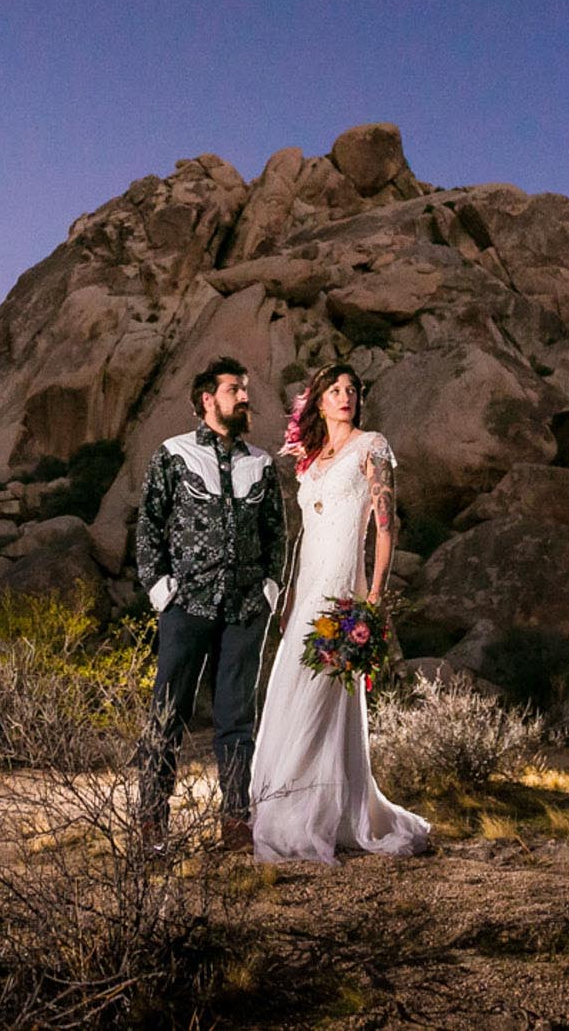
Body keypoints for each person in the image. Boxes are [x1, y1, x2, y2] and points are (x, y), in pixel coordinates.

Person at [250, 362, 430, 864]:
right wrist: (287, 597)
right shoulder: (309, 459)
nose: (345, 396)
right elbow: (302, 534)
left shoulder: (372, 446)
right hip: (306, 588)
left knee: (320, 698)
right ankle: (282, 805)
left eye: (352, 389)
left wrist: (374, 595)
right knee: (289, 694)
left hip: (343, 590)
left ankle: (315, 815)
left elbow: (386, 525)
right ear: (319, 401)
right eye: (335, 389)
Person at [135, 356, 286, 851]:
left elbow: (276, 534)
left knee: (236, 718)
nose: (244, 397)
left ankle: (236, 821)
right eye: (234, 389)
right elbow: (149, 526)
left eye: (245, 389)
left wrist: (269, 588)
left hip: (245, 609)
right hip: (187, 606)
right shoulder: (172, 455)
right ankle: (153, 822)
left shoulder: (261, 462)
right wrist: (161, 590)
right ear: (207, 400)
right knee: (167, 712)